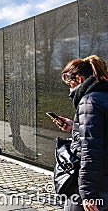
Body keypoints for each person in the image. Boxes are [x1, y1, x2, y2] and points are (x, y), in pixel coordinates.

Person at [53, 55, 108, 211]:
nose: (70, 92)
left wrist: (88, 194)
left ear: (79, 79)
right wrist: (74, 127)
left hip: (95, 188)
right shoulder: (103, 97)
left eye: (70, 85)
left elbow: (90, 151)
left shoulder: (89, 101)